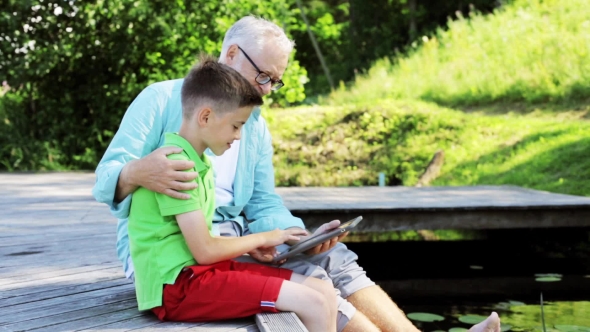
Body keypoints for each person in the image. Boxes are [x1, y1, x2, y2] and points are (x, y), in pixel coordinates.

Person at [93, 15, 502, 332]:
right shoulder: (162, 99)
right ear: (232, 54)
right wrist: (139, 171)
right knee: (307, 279)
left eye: (276, 81)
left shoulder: (253, 125)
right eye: (264, 76)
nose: (269, 89)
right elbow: (105, 178)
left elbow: (262, 201)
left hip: (233, 239)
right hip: (175, 259)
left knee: (333, 258)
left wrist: (297, 237)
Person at [128, 55, 337, 331]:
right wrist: (265, 237)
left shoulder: (199, 162)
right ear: (205, 116)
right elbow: (204, 251)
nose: (238, 136)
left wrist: (252, 247)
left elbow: (200, 246)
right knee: (313, 303)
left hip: (200, 273)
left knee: (323, 291)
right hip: (176, 287)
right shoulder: (175, 167)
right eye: (236, 125)